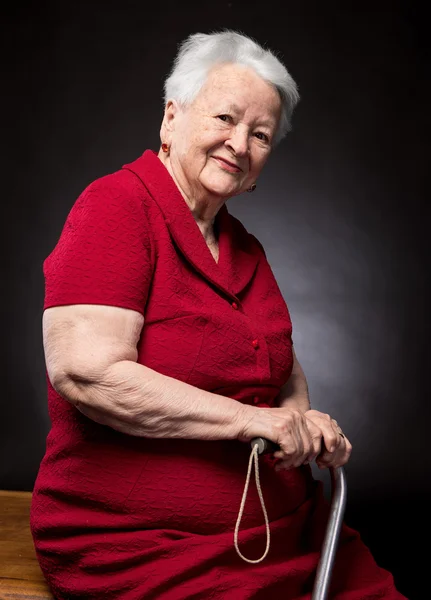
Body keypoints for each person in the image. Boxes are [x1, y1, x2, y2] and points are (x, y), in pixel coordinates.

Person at [30, 30, 406, 599]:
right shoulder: (116, 207)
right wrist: (252, 421)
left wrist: (302, 428)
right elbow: (88, 373)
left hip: (289, 536)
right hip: (148, 547)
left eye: (260, 134)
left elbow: (282, 371)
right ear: (171, 118)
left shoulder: (245, 248)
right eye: (225, 118)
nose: (239, 143)